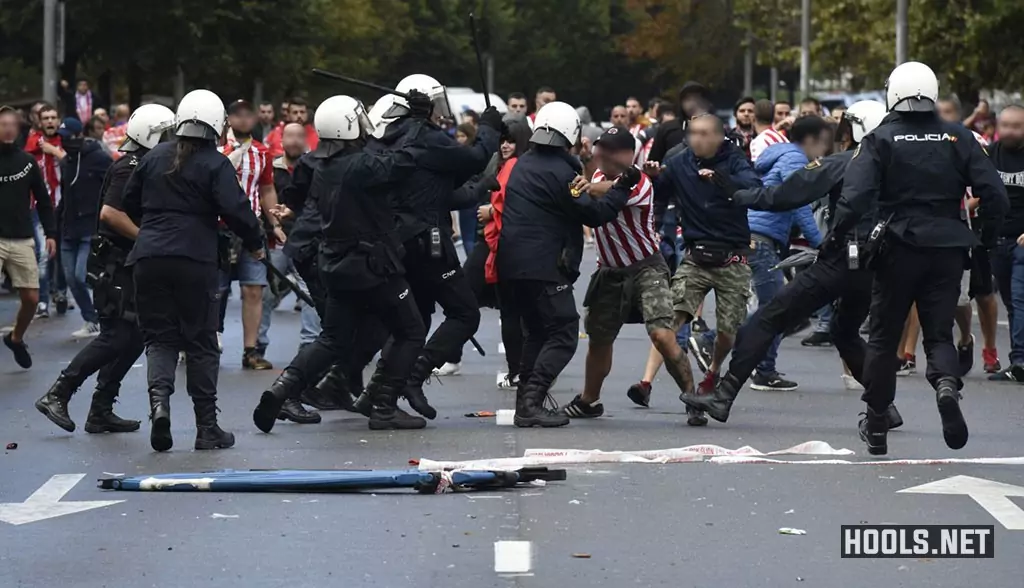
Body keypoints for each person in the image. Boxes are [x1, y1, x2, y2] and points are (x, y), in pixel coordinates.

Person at [679, 101, 903, 429]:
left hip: (840, 259)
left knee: (767, 319)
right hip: (876, 266)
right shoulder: (899, 169)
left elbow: (784, 195)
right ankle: (885, 408)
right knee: (845, 331)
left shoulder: (846, 161)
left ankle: (723, 395)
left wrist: (735, 193)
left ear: (855, 130)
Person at [831, 62, 1009, 455]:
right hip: (948, 247)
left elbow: (854, 197)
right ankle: (946, 385)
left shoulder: (880, 139)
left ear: (893, 92)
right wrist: (986, 239)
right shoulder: (959, 137)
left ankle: (877, 424)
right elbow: (995, 194)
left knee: (882, 338)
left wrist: (837, 237)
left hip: (898, 246)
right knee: (939, 333)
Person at [252, 94, 427, 432]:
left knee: (332, 338)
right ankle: (385, 406)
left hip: (335, 264)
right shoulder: (361, 165)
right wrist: (415, 121)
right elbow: (405, 162)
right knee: (411, 330)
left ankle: (283, 388)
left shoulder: (320, 165)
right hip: (372, 266)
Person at [122, 89, 265, 452]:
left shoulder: (154, 156)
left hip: (149, 256)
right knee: (201, 341)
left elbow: (128, 201)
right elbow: (236, 209)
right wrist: (254, 240)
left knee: (160, 339)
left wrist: (156, 224)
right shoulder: (215, 163)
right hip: (195, 258)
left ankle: (159, 407)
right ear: (217, 124)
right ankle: (206, 427)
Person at [364, 73, 499, 420]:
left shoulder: (388, 136)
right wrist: (488, 128)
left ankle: (379, 391)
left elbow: (442, 187)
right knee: (465, 313)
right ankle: (412, 376)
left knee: (415, 320)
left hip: (400, 238)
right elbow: (474, 157)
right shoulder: (424, 137)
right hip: (427, 238)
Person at [34, 104, 175, 434]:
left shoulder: (146, 164)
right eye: (164, 134)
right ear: (149, 136)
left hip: (127, 264)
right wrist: (147, 239)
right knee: (114, 337)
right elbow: (110, 214)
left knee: (136, 336)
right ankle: (58, 393)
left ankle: (100, 408)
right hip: (113, 265)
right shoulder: (130, 166)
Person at [497, 102, 635, 427]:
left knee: (537, 333)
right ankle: (531, 401)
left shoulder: (523, 164)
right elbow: (594, 214)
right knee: (563, 333)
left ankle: (525, 404)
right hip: (543, 265)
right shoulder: (563, 173)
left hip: (512, 263)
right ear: (571, 133)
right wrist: (622, 189)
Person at [561, 126, 693, 417]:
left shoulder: (640, 181)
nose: (600, 154)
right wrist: (581, 162)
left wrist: (582, 184)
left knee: (662, 334)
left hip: (647, 267)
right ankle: (589, 400)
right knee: (598, 339)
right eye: (598, 149)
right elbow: (589, 185)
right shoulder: (595, 175)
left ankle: (692, 396)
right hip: (610, 271)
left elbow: (608, 192)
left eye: (607, 150)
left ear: (625, 154)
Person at [646, 114, 761, 425]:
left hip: (732, 258)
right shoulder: (680, 162)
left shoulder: (735, 160)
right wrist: (653, 177)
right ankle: (689, 391)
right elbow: (658, 194)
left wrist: (721, 181)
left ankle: (712, 372)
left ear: (719, 136)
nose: (697, 139)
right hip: (696, 257)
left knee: (727, 331)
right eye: (692, 134)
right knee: (666, 328)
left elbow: (754, 190)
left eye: (704, 134)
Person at [0, 106, 57, 368]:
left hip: (22, 237)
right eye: (3, 124)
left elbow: (44, 201)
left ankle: (16, 338)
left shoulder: (27, 162)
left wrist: (51, 233)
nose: (8, 128)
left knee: (32, 299)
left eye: (12, 124)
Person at [55, 117, 113, 339]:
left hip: (90, 227)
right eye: (61, 138)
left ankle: (104, 315)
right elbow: (65, 195)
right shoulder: (66, 162)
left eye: (68, 137)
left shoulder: (99, 158)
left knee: (81, 275)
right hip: (68, 228)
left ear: (79, 135)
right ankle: (92, 320)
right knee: (71, 279)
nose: (64, 142)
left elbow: (112, 184)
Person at [985, 105, 1024, 381]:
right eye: (1006, 125)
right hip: (997, 240)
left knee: (1021, 300)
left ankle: (1020, 360)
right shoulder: (989, 155)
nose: (1009, 131)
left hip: (1023, 242)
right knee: (1011, 302)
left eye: (1016, 126)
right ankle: (1018, 361)